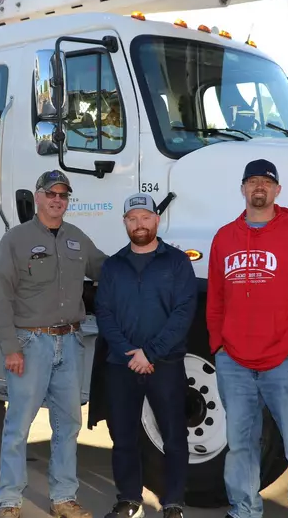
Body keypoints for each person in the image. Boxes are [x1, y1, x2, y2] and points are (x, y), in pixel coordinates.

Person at [206, 159, 288, 518]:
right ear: (242, 189)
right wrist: (218, 347)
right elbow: (215, 299)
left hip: (283, 362)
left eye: (266, 182)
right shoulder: (224, 237)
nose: (259, 187)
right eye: (252, 181)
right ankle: (244, 509)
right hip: (235, 362)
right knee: (240, 443)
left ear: (277, 190)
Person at [0, 169, 108, 518]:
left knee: (68, 425)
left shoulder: (77, 238)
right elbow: (1, 297)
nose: (58, 200)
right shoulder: (15, 239)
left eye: (64, 195)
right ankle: (10, 502)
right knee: (18, 426)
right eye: (51, 194)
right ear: (38, 197)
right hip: (31, 344)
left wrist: (145, 255)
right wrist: (10, 347)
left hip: (70, 342)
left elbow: (106, 269)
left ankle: (64, 498)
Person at [94, 193, 197, 518]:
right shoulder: (113, 266)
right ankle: (129, 500)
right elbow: (104, 314)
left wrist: (149, 352)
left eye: (145, 217)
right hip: (121, 367)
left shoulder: (177, 262)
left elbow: (183, 313)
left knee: (174, 438)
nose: (139, 224)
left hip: (164, 364)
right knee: (123, 437)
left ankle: (173, 503)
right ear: (125, 223)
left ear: (156, 220)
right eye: (132, 218)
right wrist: (129, 354)